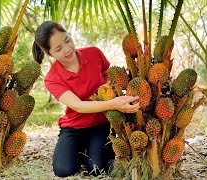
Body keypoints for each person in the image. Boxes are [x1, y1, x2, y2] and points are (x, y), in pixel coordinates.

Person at [32, 21, 140, 177]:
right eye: (58, 49)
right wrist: (114, 104)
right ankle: (81, 149)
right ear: (50, 54)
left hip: (101, 123)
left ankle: (92, 148)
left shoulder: (94, 53)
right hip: (74, 126)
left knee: (99, 169)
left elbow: (109, 78)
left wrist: (121, 94)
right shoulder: (52, 78)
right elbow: (78, 106)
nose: (67, 49)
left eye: (67, 40)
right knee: (63, 170)